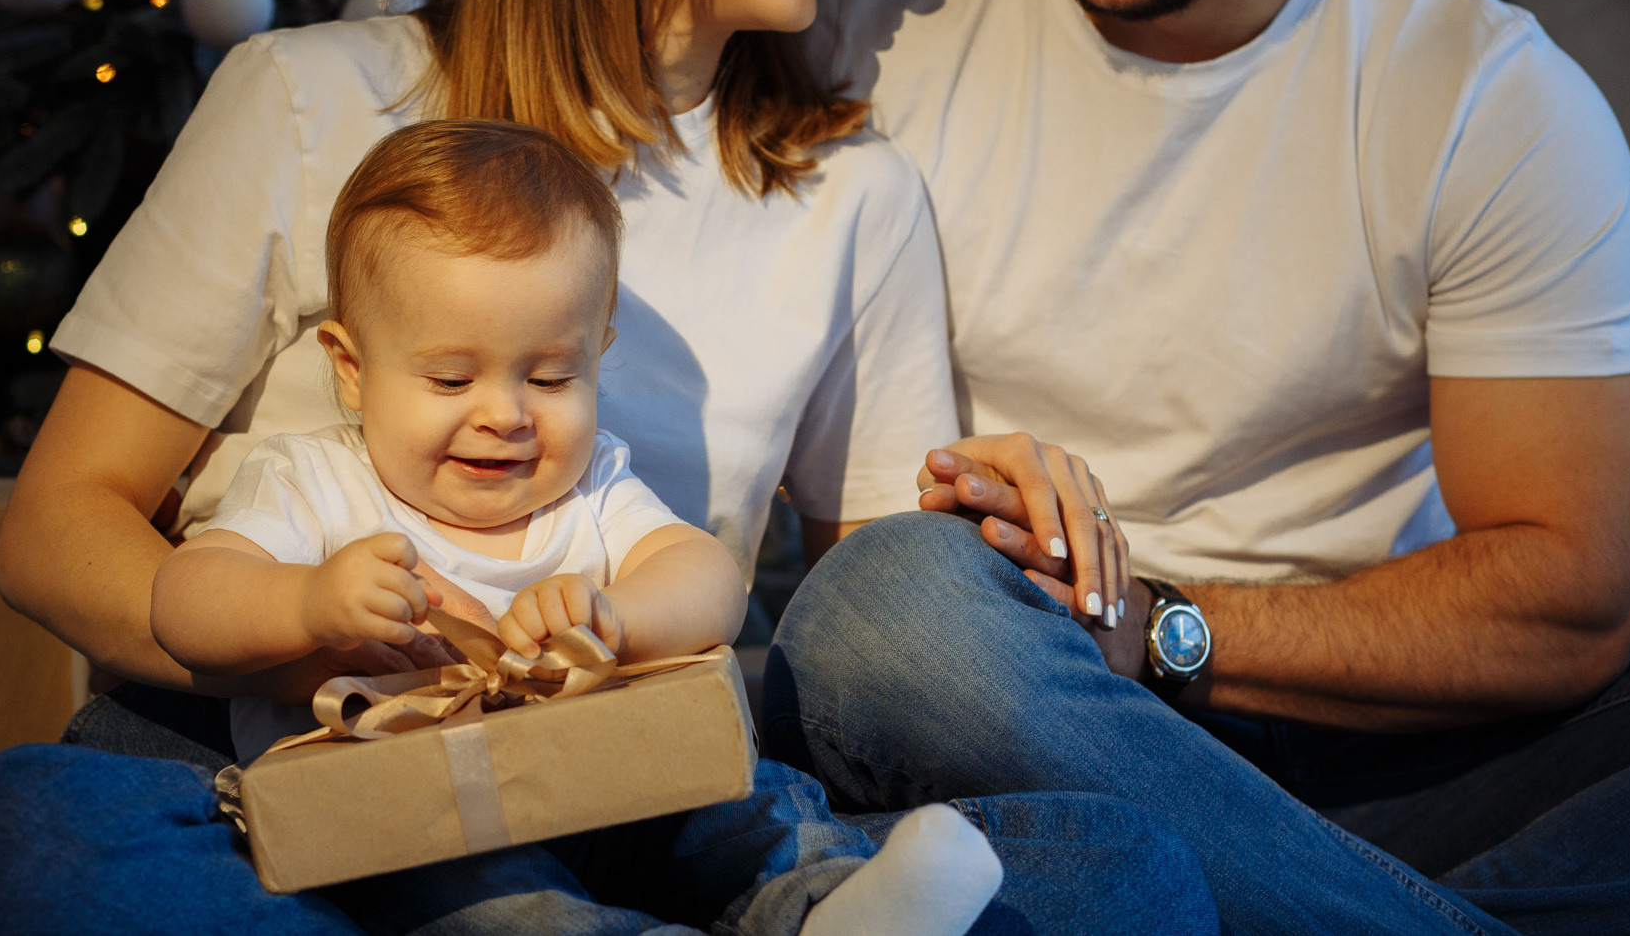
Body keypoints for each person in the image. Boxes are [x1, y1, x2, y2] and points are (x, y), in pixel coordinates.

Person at [0, 0, 1212, 936]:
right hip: (263, 771)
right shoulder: (309, 99)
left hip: (621, 787)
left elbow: (864, 650)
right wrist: (317, 635)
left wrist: (979, 538)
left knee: (1123, 874)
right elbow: (57, 529)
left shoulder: (851, 198)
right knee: (23, 833)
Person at [765, 0, 1630, 933]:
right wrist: (1065, 646)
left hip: (1373, 742)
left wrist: (1147, 628)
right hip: (1009, 729)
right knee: (883, 609)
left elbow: (1566, 599)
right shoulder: (877, 39)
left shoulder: (1487, 100)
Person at [151, 117, 1008, 936]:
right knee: (477, 902)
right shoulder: (316, 484)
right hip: (406, 816)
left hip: (608, 783)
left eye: (553, 377)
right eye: (451, 379)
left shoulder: (589, 484)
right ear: (351, 367)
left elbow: (705, 576)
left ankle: (834, 904)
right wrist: (306, 603)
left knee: (746, 801)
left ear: (596, 353)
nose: (505, 414)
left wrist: (617, 615)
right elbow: (184, 603)